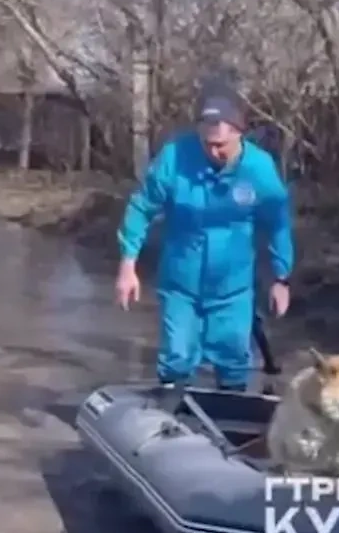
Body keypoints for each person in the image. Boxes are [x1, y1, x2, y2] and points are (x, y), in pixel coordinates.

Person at [115, 85, 294, 391]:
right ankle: (172, 415)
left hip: (233, 289)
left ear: (239, 133)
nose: (213, 152)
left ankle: (230, 418)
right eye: (207, 144)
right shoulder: (176, 157)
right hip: (181, 284)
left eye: (221, 145)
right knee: (178, 357)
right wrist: (127, 264)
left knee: (233, 358)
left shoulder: (259, 168)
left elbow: (278, 223)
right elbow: (141, 206)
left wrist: (281, 278)